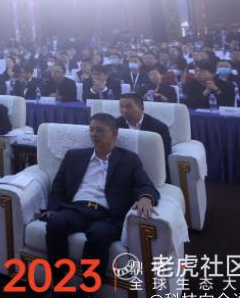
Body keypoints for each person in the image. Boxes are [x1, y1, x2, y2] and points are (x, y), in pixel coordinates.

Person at [42, 113, 159, 284]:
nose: (94, 134)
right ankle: (58, 283)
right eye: (91, 130)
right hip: (77, 209)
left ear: (114, 133)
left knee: (99, 235)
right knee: (55, 222)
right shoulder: (74, 156)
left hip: (108, 216)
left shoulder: (129, 159)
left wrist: (146, 198)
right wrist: (52, 209)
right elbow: (59, 185)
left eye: (99, 130)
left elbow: (145, 184)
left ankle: (88, 290)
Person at [116, 93, 172, 161]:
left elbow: (166, 155)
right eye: (121, 107)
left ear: (142, 108)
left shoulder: (160, 128)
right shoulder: (115, 124)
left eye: (129, 107)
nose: (124, 110)